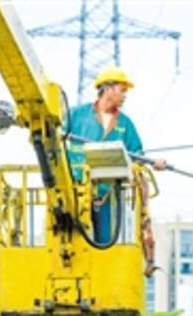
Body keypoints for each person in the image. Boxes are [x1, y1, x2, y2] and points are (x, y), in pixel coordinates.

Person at [66, 66, 166, 244]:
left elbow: (137, 154)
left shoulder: (125, 124)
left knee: (105, 242)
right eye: (122, 90)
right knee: (70, 241)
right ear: (108, 88)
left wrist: (153, 163)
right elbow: (52, 130)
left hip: (106, 193)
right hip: (74, 189)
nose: (125, 95)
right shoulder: (77, 115)